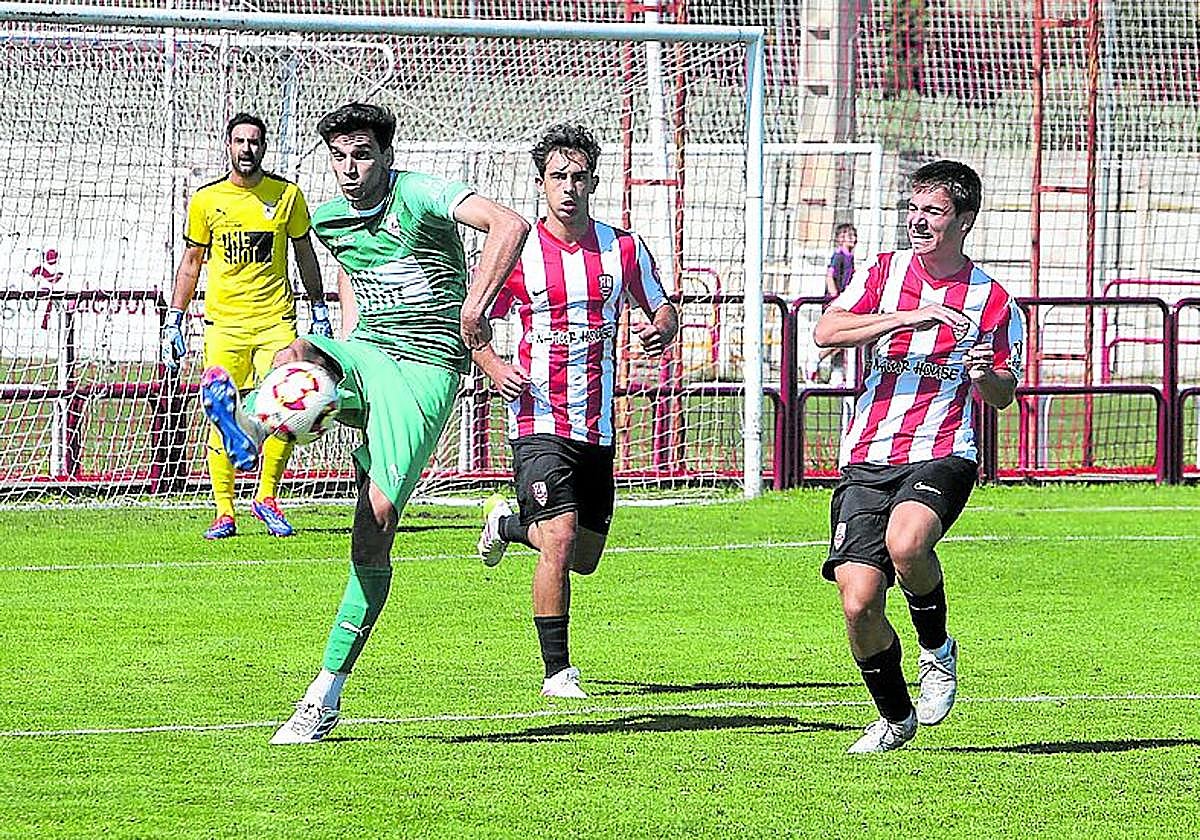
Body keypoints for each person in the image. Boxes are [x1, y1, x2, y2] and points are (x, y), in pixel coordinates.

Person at [199, 103, 529, 744]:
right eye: (340, 156)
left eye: (362, 155)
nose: (350, 169)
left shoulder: (424, 194)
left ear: (385, 156)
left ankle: (326, 691)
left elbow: (508, 225)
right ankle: (254, 423)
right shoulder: (326, 218)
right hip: (369, 352)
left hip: (428, 370)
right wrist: (344, 348)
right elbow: (354, 279)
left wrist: (472, 315)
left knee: (373, 527)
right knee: (299, 352)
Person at [812, 160, 1025, 753]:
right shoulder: (884, 272)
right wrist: (909, 316)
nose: (918, 221)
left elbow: (1005, 394)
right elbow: (827, 331)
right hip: (867, 455)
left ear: (964, 220)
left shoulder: (993, 300)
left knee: (908, 544)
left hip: (943, 451)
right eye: (914, 209)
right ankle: (896, 717)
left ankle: (937, 650)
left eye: (932, 212)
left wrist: (988, 379)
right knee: (858, 602)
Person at [473, 123, 679, 699]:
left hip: (597, 424)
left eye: (578, 176)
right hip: (538, 418)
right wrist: (491, 365)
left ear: (593, 181)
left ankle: (508, 525)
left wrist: (658, 329)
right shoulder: (518, 252)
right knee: (560, 541)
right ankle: (558, 671)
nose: (568, 186)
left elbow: (663, 308)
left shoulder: (624, 247)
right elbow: (472, 322)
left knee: (582, 556)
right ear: (541, 184)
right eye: (557, 177)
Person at [161, 112, 328, 540]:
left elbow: (305, 254)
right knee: (223, 413)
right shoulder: (206, 201)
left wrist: (319, 307)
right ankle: (224, 511)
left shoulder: (287, 195)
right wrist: (175, 318)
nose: (247, 149)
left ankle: (267, 498)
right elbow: (192, 263)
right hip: (224, 327)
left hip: (276, 321)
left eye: (255, 141)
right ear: (228, 146)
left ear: (265, 146)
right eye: (240, 142)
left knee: (286, 410)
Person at [810, 222, 858, 385]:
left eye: (853, 235)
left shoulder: (851, 257)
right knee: (841, 337)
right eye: (847, 235)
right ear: (839, 239)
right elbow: (830, 276)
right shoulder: (839, 255)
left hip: (847, 303)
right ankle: (814, 359)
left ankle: (836, 376)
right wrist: (835, 298)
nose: (852, 238)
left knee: (846, 340)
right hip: (837, 304)